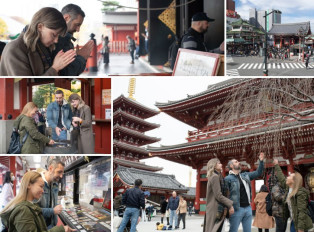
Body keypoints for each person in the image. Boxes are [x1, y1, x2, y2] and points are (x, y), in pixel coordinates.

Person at [0, 7, 76, 76]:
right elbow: (26, 87)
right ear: (40, 27)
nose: (56, 41)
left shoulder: (44, 47)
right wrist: (55, 68)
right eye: (53, 34)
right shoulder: (15, 48)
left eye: (58, 36)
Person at [0, 171, 75, 232]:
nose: (43, 191)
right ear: (29, 185)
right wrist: (61, 229)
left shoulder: (31, 205)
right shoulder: (23, 210)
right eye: (41, 186)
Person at [225, 152, 265, 232]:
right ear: (231, 166)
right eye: (236, 162)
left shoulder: (245, 175)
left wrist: (261, 161)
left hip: (248, 208)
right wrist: (229, 207)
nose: (239, 162)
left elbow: (258, 173)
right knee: (233, 230)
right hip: (236, 209)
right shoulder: (227, 179)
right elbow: (225, 196)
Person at [52, 4, 94, 76]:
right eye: (77, 25)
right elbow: (66, 74)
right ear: (66, 18)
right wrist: (81, 57)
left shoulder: (66, 39)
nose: (78, 30)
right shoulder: (57, 40)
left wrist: (78, 58)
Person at [273, 159, 313, 232]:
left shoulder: (300, 193)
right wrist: (276, 165)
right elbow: (281, 178)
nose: (287, 177)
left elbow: (302, 212)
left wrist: (300, 228)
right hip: (293, 221)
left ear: (294, 181)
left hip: (300, 224)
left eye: (289, 176)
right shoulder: (289, 189)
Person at [204, 158, 234, 232]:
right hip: (215, 209)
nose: (221, 164)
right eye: (219, 163)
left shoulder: (218, 176)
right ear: (214, 165)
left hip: (215, 207)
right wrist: (230, 204)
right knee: (214, 229)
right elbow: (218, 195)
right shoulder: (215, 177)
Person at [37, 159, 65, 229]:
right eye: (59, 172)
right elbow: (33, 210)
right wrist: (52, 211)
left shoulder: (55, 184)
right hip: (41, 226)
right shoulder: (37, 183)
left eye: (62, 173)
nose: (61, 176)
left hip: (52, 224)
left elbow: (53, 203)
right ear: (50, 168)